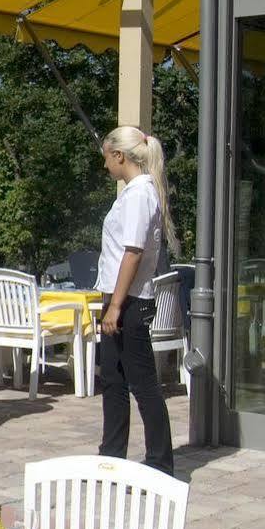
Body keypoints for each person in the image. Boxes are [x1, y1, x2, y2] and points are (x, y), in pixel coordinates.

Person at [96, 127, 175, 475]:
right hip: (117, 299)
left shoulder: (140, 195)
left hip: (128, 302)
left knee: (143, 385)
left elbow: (133, 252)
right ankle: (111, 455)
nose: (105, 167)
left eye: (106, 159)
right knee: (113, 381)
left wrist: (116, 305)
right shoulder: (132, 194)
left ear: (119, 156)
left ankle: (160, 462)